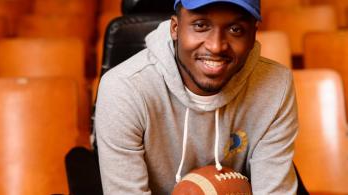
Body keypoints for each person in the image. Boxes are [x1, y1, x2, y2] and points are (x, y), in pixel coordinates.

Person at [95, 0, 299, 194]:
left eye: (235, 29)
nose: (216, 46)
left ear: (253, 35)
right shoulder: (124, 88)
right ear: (175, 28)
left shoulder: (275, 85)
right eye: (201, 25)